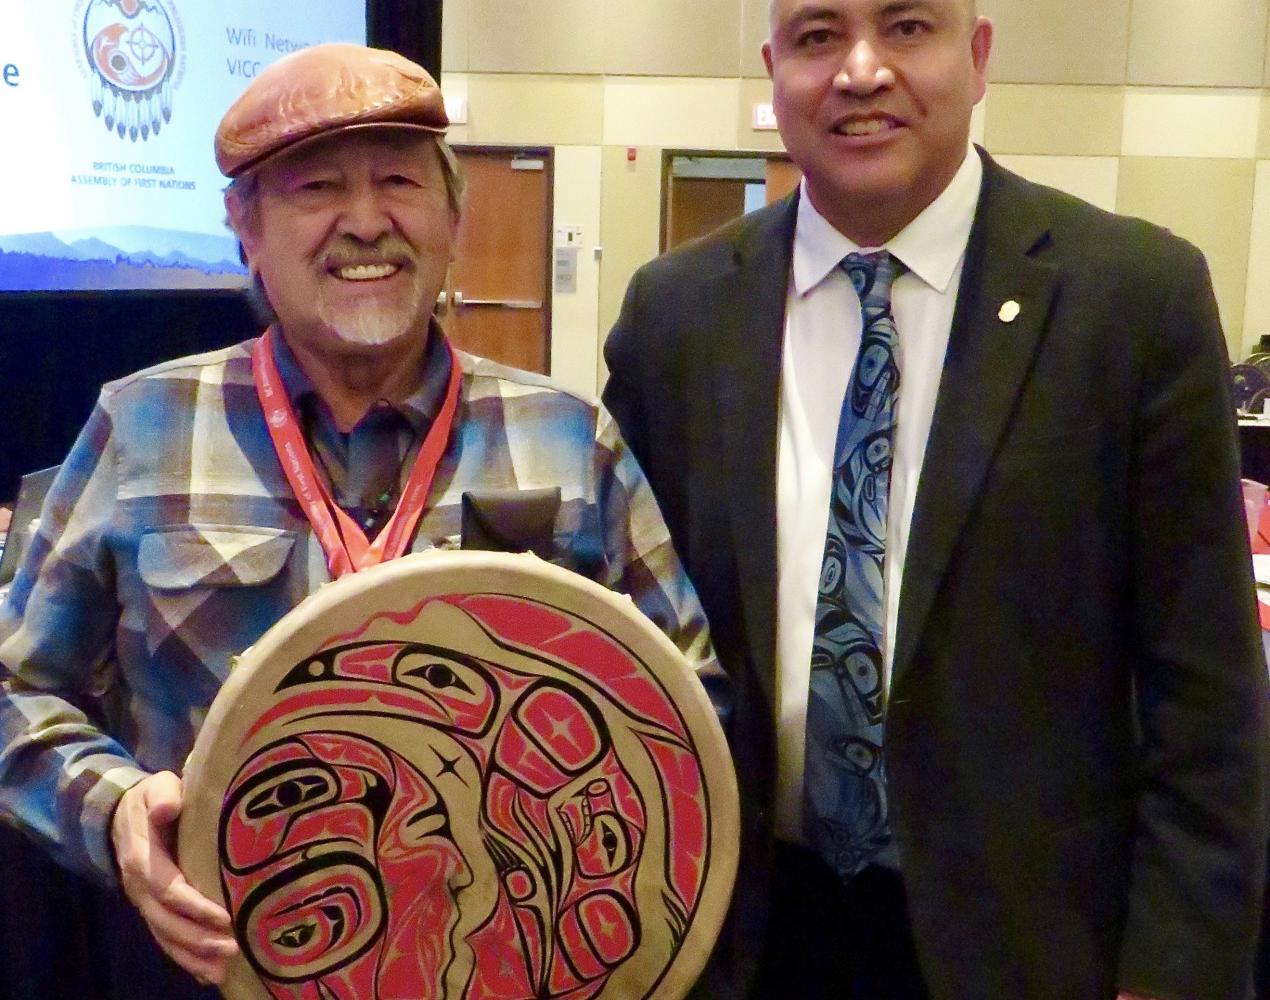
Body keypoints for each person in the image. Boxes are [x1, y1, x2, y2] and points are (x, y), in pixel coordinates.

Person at [0, 43, 721, 997]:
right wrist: (120, 810)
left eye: (399, 181)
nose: (366, 222)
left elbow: (689, 701)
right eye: (316, 188)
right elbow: (14, 688)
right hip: (218, 974)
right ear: (244, 228)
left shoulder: (568, 439)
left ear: (454, 217)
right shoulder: (142, 427)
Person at [603, 1, 1267, 998]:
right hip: (741, 937)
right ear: (772, 67)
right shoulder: (676, 317)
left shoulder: (1133, 302)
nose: (861, 71)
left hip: (1028, 946)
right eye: (819, 36)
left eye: (907, 26)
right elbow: (628, 647)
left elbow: (1207, 697)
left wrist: (1171, 974)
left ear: (979, 54)